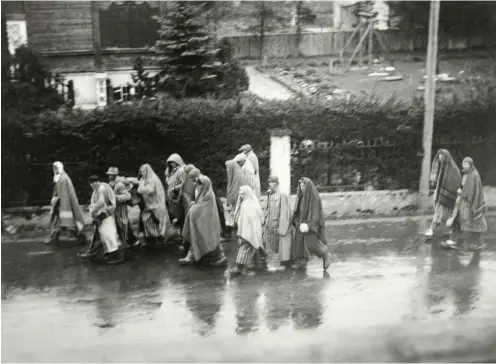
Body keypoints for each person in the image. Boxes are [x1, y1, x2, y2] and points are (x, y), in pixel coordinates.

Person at [179, 168, 227, 267]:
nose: (196, 185)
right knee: (197, 236)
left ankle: (220, 257)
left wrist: (194, 208)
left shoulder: (208, 194)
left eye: (198, 183)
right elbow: (198, 203)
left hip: (208, 222)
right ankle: (191, 256)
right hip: (204, 221)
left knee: (211, 239)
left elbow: (202, 207)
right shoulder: (203, 192)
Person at [443, 157, 487, 250]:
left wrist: (462, 193)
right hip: (462, 203)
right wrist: (461, 189)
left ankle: (476, 242)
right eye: (463, 164)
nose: (464, 166)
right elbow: (464, 186)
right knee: (458, 220)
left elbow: (473, 191)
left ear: (470, 165)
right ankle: (454, 240)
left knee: (475, 222)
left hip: (470, 204)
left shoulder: (474, 175)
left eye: (466, 164)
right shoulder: (466, 174)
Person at [79, 175, 123, 264]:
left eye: (94, 182)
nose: (92, 185)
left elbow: (101, 202)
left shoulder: (101, 188)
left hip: (105, 215)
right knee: (102, 236)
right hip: (103, 215)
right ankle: (104, 255)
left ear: (98, 181)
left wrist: (93, 210)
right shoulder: (99, 188)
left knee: (109, 235)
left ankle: (116, 257)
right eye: (90, 183)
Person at [291, 177, 332, 270]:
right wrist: (296, 221)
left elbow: (315, 214)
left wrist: (309, 225)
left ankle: (325, 255)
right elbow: (297, 211)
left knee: (312, 244)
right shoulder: (300, 197)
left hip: (310, 225)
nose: (301, 188)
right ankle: (302, 262)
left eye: (303, 185)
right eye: (300, 186)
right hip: (300, 224)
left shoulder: (314, 198)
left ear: (308, 186)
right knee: (300, 243)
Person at [47, 161, 87, 246]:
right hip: (59, 203)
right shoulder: (58, 177)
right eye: (54, 168)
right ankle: (54, 238)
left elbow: (66, 194)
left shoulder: (64, 179)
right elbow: (56, 191)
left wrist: (60, 202)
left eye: (56, 168)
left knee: (69, 223)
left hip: (64, 205)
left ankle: (81, 237)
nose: (54, 170)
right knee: (58, 222)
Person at [425, 149, 461, 237]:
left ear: (447, 158)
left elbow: (456, 182)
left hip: (449, 198)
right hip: (441, 197)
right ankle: (432, 229)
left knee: (448, 215)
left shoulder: (453, 169)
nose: (440, 160)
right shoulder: (442, 168)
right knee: (440, 214)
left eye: (442, 158)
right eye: (440, 158)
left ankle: (433, 230)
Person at [230, 185, 264, 276]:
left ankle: (242, 268)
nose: (240, 195)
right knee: (246, 248)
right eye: (240, 194)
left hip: (249, 230)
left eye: (242, 194)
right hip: (246, 231)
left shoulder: (249, 204)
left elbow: (255, 218)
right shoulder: (246, 202)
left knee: (247, 248)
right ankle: (240, 268)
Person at [263, 175, 293, 269]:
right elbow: (267, 208)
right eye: (269, 182)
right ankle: (283, 259)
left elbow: (286, 211)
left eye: (271, 182)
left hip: (280, 222)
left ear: (277, 184)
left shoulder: (282, 195)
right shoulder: (269, 193)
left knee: (284, 241)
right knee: (273, 243)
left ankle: (287, 261)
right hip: (271, 222)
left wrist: (283, 224)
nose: (270, 184)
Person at [137, 164, 169, 246]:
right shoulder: (142, 180)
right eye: (141, 171)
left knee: (155, 221)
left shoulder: (153, 180)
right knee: (146, 220)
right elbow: (139, 186)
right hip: (148, 205)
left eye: (143, 171)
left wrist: (141, 189)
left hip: (155, 204)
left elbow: (150, 190)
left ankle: (158, 236)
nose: (141, 173)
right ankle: (153, 237)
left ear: (147, 171)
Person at [107, 167, 135, 249]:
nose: (108, 176)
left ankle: (131, 241)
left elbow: (127, 196)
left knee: (124, 223)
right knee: (118, 223)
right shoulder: (111, 183)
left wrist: (115, 197)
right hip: (115, 208)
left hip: (121, 207)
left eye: (110, 175)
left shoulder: (120, 184)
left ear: (114, 175)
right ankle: (124, 241)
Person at [225, 159, 247, 234]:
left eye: (228, 167)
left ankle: (233, 231)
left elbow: (233, 191)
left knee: (233, 214)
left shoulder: (236, 177)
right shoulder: (238, 172)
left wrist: (230, 202)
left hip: (236, 199)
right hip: (239, 199)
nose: (227, 169)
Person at [165, 154, 187, 226]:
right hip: (172, 194)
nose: (171, 164)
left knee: (179, 211)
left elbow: (184, 183)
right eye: (170, 163)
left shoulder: (181, 170)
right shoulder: (174, 171)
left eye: (173, 162)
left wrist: (174, 188)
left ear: (177, 162)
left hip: (177, 194)